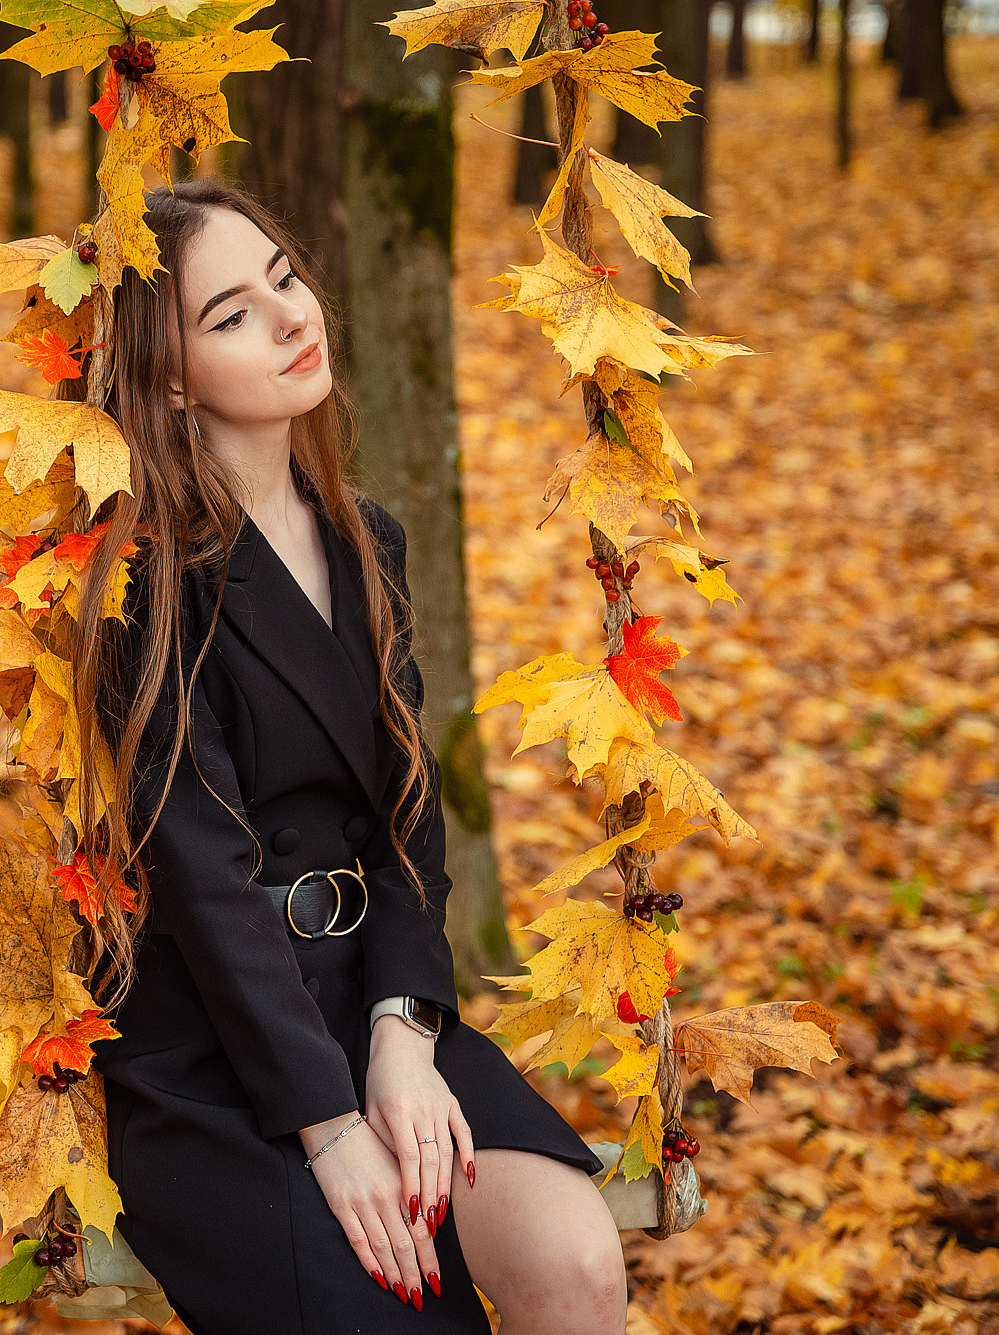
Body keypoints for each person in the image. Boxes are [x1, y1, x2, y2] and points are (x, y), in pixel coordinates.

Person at [60, 178, 628, 1334]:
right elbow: (204, 881)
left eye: (283, 277)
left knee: (574, 1268)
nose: (287, 316)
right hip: (220, 1053)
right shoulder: (143, 587)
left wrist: (404, 1034)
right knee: (399, 1307)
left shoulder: (366, 541)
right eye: (229, 315)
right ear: (167, 377)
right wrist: (325, 1125)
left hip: (369, 994)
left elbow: (411, 821)